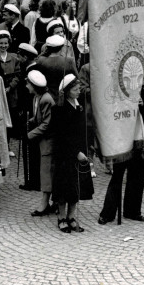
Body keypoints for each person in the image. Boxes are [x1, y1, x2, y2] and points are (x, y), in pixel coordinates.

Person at [50, 75, 93, 233]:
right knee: (63, 187)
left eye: (79, 89)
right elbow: (62, 136)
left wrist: (86, 149)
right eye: (75, 89)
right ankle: (61, 217)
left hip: (80, 151)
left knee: (76, 187)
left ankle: (71, 216)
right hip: (65, 154)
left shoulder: (79, 106)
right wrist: (76, 153)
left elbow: (83, 130)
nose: (78, 92)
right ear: (67, 91)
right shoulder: (58, 109)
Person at [25, 70, 56, 217]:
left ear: (34, 86)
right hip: (43, 141)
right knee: (46, 172)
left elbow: (47, 124)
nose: (26, 86)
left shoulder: (46, 99)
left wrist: (30, 134)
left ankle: (45, 204)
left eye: (28, 84)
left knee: (47, 173)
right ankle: (51, 202)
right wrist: (30, 121)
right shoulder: (37, 98)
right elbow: (39, 117)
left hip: (49, 141)